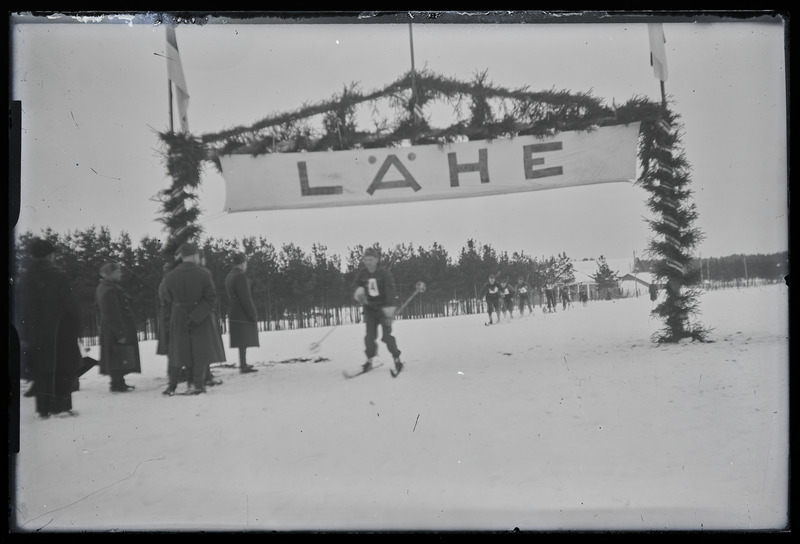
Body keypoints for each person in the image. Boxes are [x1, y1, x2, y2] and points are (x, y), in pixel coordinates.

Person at [15, 238, 81, 418]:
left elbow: (20, 309)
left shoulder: (25, 277)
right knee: (63, 367)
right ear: (51, 255)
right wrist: (76, 325)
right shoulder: (58, 275)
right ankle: (60, 406)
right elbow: (71, 306)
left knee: (41, 370)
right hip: (60, 332)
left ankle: (43, 409)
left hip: (33, 334)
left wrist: (24, 335)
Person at [160, 242, 220, 396]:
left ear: (182, 256)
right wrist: (196, 316)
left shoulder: (170, 276)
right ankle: (198, 385)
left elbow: (167, 298)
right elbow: (211, 298)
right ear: (194, 255)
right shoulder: (204, 273)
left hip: (178, 318)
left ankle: (172, 386)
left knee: (180, 351)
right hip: (201, 318)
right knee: (200, 351)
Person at [352, 247, 403, 375]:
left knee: (386, 337)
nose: (368, 262)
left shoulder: (383, 273)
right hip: (370, 310)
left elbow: (391, 291)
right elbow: (355, 285)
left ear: (376, 260)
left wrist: (390, 309)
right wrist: (359, 294)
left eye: (371, 259)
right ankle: (369, 360)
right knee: (369, 337)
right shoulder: (362, 273)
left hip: (384, 309)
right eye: (366, 259)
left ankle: (397, 358)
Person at [95, 262, 141, 392]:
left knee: (118, 355)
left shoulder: (104, 286)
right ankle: (116, 384)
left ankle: (119, 382)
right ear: (110, 274)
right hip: (114, 328)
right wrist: (120, 333)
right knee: (118, 354)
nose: (120, 273)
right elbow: (112, 313)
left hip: (109, 328)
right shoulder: (110, 289)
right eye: (118, 271)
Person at [225, 253, 259, 374]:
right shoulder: (240, 276)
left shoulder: (230, 275)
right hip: (241, 311)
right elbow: (246, 297)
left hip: (233, 310)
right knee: (244, 339)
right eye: (245, 263)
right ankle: (243, 366)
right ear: (242, 263)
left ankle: (243, 363)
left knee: (241, 340)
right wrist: (252, 313)